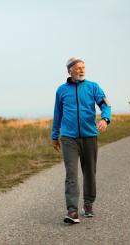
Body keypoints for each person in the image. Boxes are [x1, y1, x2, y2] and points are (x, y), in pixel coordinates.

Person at [51, 57, 111, 224]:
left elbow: (106, 105)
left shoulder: (93, 87)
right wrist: (54, 135)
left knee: (89, 172)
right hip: (69, 138)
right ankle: (72, 210)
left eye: (83, 67)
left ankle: (88, 204)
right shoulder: (61, 90)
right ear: (70, 71)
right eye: (78, 68)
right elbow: (58, 114)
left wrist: (105, 119)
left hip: (89, 136)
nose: (82, 70)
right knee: (71, 173)